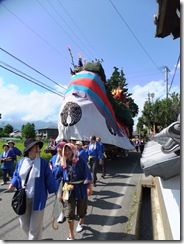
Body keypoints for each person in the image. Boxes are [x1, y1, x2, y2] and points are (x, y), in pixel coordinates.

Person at [8, 138, 58, 240]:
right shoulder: (21, 162)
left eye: (38, 147)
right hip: (23, 198)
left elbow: (49, 178)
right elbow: (16, 175)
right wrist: (13, 183)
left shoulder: (43, 163)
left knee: (34, 229)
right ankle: (36, 237)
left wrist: (56, 191)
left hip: (38, 198)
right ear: (28, 149)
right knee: (24, 225)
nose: (37, 149)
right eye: (34, 147)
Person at [61, 143, 92, 240]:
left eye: (69, 150)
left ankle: (81, 222)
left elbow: (87, 173)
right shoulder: (64, 162)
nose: (67, 152)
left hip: (81, 187)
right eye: (65, 150)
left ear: (73, 150)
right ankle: (71, 235)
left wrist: (89, 186)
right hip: (69, 189)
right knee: (69, 213)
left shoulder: (80, 161)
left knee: (81, 209)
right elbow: (59, 176)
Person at [49, 141, 66, 223]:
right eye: (58, 147)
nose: (59, 149)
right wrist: (51, 166)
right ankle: (63, 211)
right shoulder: (54, 157)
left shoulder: (66, 157)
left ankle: (63, 213)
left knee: (60, 198)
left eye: (61, 147)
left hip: (64, 181)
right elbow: (50, 162)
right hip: (55, 180)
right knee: (59, 197)